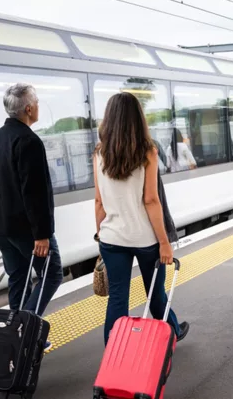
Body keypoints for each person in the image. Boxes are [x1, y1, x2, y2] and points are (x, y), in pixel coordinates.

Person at [94, 92, 189, 346]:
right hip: (145, 239)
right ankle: (173, 332)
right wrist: (164, 242)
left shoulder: (99, 152)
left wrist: (100, 237)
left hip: (112, 238)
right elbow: (150, 200)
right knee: (155, 295)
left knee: (117, 300)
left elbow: (99, 201)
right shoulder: (147, 152)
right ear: (138, 119)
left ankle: (113, 356)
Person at [0, 82, 64, 353]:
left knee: (18, 279)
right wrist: (41, 234)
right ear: (29, 108)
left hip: (1, 228)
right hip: (26, 230)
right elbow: (35, 192)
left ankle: (13, 333)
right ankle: (26, 332)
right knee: (52, 274)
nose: (39, 106)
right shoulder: (29, 141)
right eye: (38, 102)